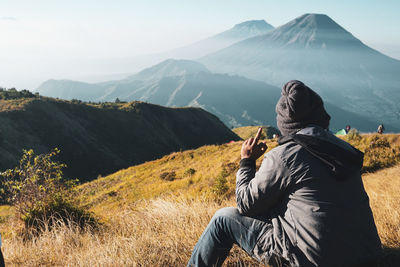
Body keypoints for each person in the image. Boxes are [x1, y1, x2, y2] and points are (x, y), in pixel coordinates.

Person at [187, 80, 382, 267]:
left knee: (223, 218)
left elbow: (245, 204)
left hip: (313, 261)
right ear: (320, 114)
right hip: (368, 257)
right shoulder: (345, 150)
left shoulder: (284, 156)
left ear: (286, 124)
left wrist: (247, 162)